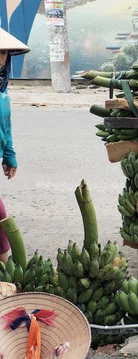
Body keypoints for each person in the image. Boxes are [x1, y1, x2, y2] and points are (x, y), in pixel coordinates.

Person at [0, 27, 30, 264]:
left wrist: (10, 156)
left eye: (4, 53)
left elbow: (5, 125)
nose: (0, 58)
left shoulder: (3, 89)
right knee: (0, 216)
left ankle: (5, 277)